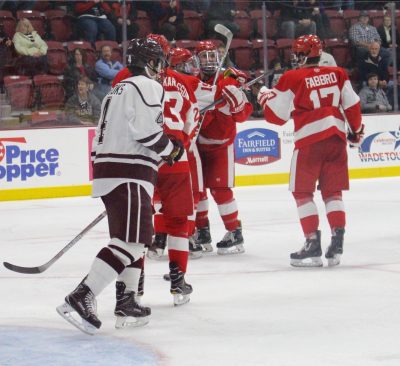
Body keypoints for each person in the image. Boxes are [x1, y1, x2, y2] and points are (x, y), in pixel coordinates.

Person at [56, 38, 184, 335]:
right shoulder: (147, 86)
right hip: (129, 172)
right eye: (159, 61)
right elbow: (146, 131)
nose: (161, 67)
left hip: (111, 170)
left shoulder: (118, 88)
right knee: (130, 242)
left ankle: (126, 299)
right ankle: (81, 296)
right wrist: (171, 150)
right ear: (150, 62)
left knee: (133, 240)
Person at [257, 34, 364, 267]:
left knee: (302, 193)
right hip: (336, 138)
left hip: (309, 140)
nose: (295, 57)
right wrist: (356, 131)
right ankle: (337, 238)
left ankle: (312, 243)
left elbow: (276, 117)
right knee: (333, 192)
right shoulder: (338, 73)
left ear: (305, 54)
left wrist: (264, 96)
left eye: (297, 53)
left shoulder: (292, 77)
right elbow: (353, 105)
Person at [192, 40, 253, 254]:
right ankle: (202, 231)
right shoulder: (193, 82)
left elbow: (243, 115)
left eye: (212, 56)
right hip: (198, 144)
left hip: (221, 146)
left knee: (220, 190)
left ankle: (235, 232)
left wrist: (238, 99)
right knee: (197, 191)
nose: (209, 61)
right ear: (196, 60)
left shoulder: (229, 81)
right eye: (204, 56)